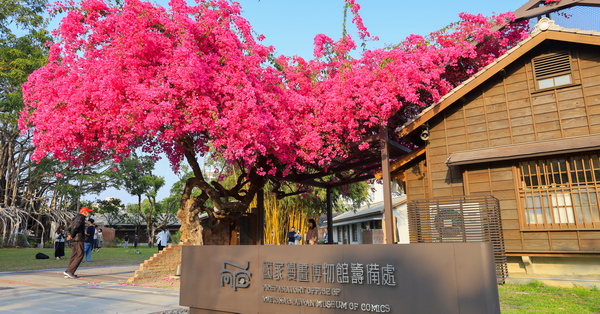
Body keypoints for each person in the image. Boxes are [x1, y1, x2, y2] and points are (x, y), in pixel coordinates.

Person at [64, 207, 93, 279]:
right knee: (80, 254)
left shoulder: (76, 217)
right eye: (88, 212)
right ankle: (70, 271)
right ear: (85, 212)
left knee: (74, 254)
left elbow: (68, 228)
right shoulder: (81, 218)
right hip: (78, 238)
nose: (88, 213)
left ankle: (68, 271)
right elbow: (76, 226)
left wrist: (69, 235)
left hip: (74, 238)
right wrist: (72, 235)